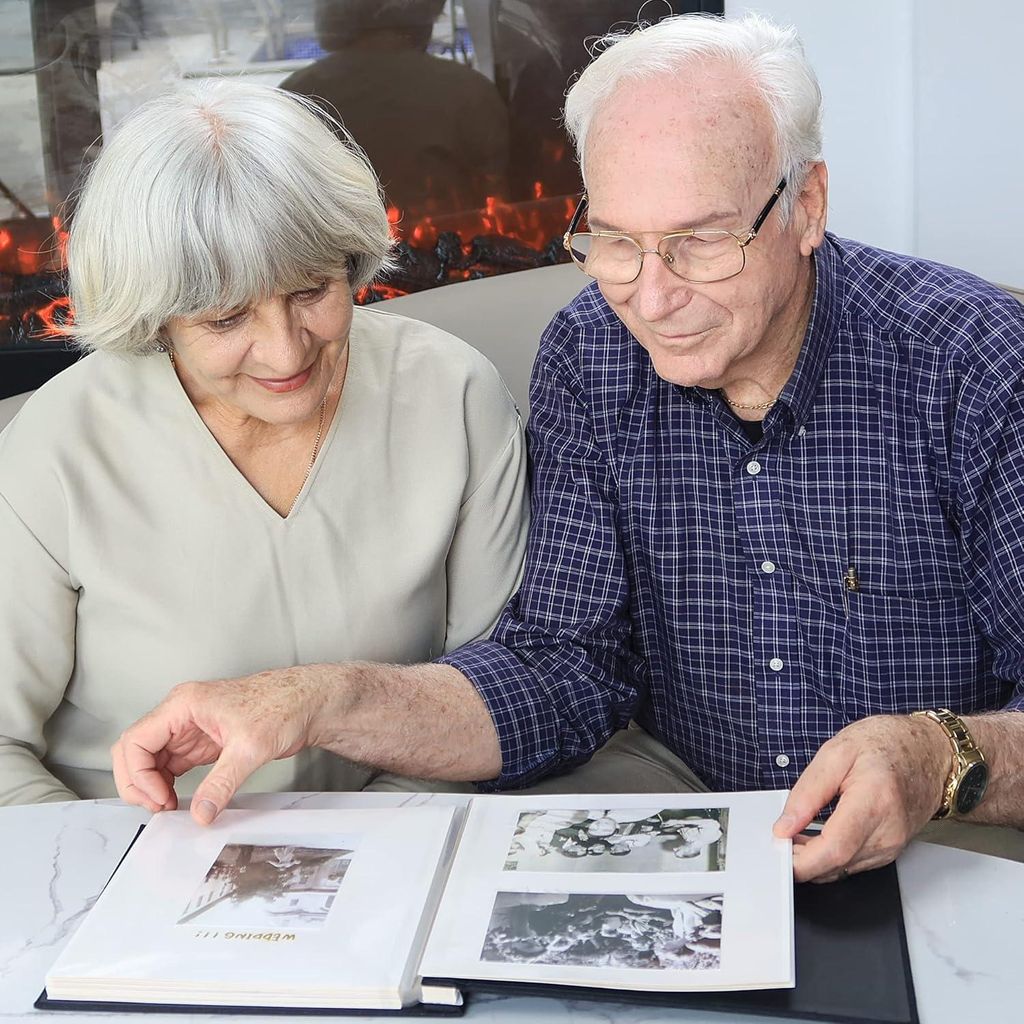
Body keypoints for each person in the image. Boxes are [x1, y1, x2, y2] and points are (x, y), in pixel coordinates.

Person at [113, 14, 1024, 882]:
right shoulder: (592, 353)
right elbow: (563, 670)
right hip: (692, 832)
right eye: (617, 242)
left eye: (701, 241)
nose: (651, 299)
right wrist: (314, 703)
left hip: (944, 842)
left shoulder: (974, 365)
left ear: (807, 204)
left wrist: (938, 757)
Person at [0, 79, 527, 805]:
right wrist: (116, 867)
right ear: (156, 318)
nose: (285, 352)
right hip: (132, 846)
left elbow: (499, 686)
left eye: (311, 291)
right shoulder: (57, 447)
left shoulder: (453, 393)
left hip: (403, 831)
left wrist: (367, 849)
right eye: (225, 320)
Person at [281, 0, 509, 222]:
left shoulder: (294, 96)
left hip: (337, 246)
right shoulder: (469, 90)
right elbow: (499, 194)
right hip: (451, 243)